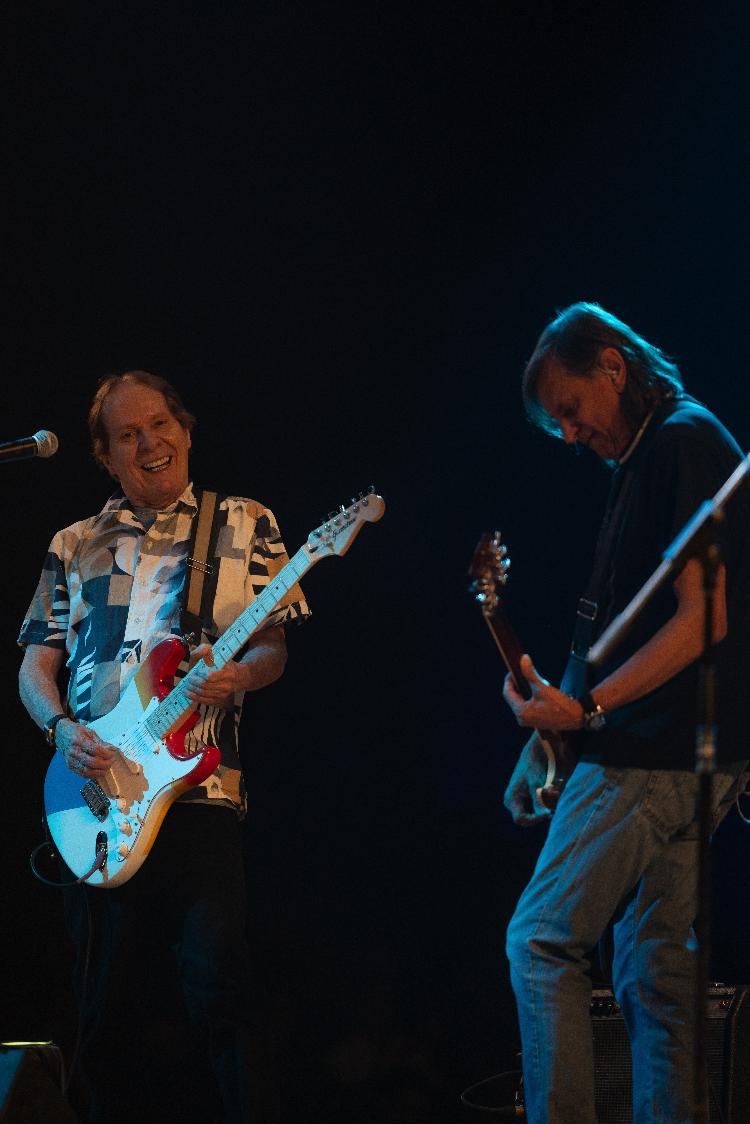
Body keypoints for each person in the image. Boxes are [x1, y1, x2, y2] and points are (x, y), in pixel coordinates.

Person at [18, 370, 310, 1123]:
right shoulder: (73, 543)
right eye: (127, 435)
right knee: (100, 1012)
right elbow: (34, 665)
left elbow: (274, 649)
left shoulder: (245, 521)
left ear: (185, 429)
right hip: (94, 795)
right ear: (105, 457)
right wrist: (60, 729)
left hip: (202, 791)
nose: (149, 443)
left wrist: (238, 673)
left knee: (223, 989)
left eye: (159, 425)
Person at [501, 303, 750, 1124]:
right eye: (555, 426)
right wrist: (549, 732)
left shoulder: (681, 441)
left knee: (540, 943)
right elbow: (621, 631)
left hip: (650, 754)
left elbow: (703, 617)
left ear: (613, 364)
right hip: (686, 757)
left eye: (571, 410)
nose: (570, 434)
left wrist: (594, 707)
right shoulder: (652, 457)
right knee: (655, 980)